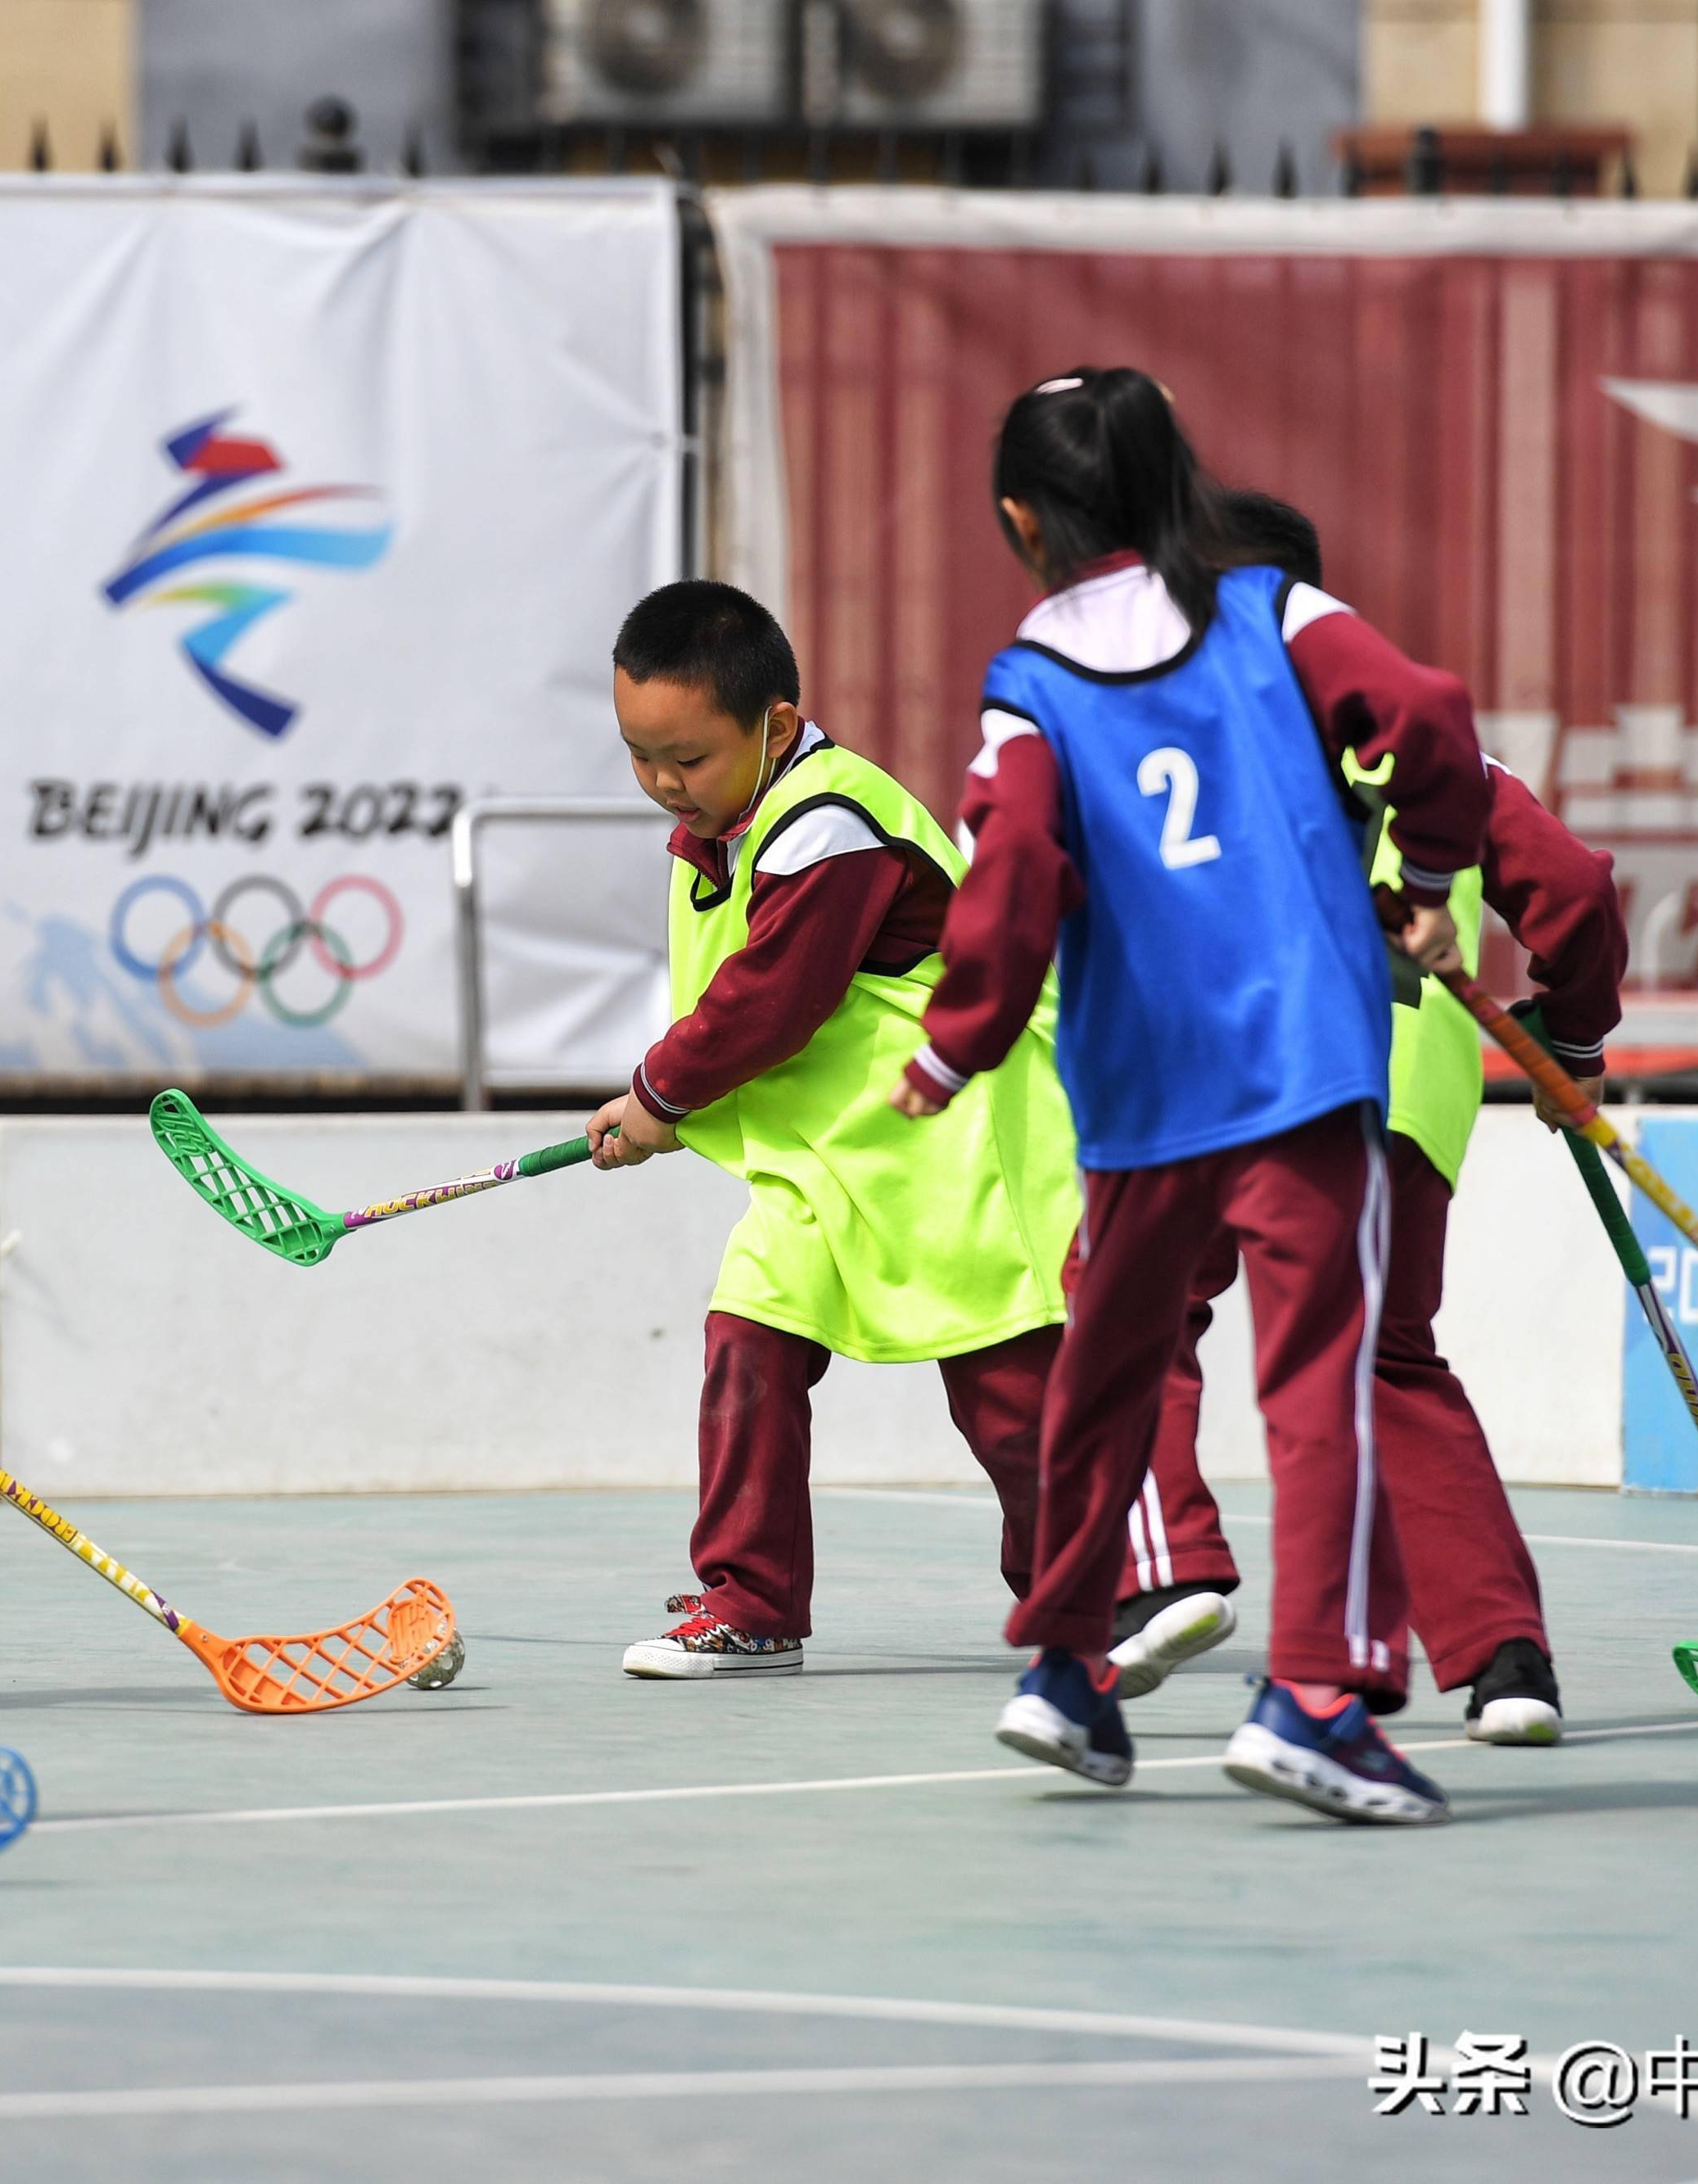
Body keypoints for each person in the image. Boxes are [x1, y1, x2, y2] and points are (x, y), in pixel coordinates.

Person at [892, 367, 1488, 1825]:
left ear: (1020, 518)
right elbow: (1430, 716)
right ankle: (1321, 1697)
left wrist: (955, 1043)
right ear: (1181, 478)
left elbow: (1014, 867)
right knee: (1318, 1381)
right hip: (1297, 1061)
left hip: (1142, 1082)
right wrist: (1418, 881)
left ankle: (1068, 1668)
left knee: (1107, 1371)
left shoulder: (1025, 682)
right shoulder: (1278, 613)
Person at [1102, 504, 1623, 1747]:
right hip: (1398, 1100)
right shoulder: (1433, 763)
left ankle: (1175, 1567)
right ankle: (1506, 1665)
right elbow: (1581, 891)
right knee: (1385, 1358)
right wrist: (1576, 1045)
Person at [586, 581, 1080, 1677]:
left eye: (690, 756)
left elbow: (774, 998)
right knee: (746, 1350)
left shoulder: (830, 825)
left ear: (772, 724)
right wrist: (673, 1102)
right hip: (825, 1163)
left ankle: (1089, 1590)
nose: (665, 783)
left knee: (1008, 1405)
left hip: (950, 1144)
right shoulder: (721, 827)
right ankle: (750, 1598)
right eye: (639, 753)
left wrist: (658, 1098)